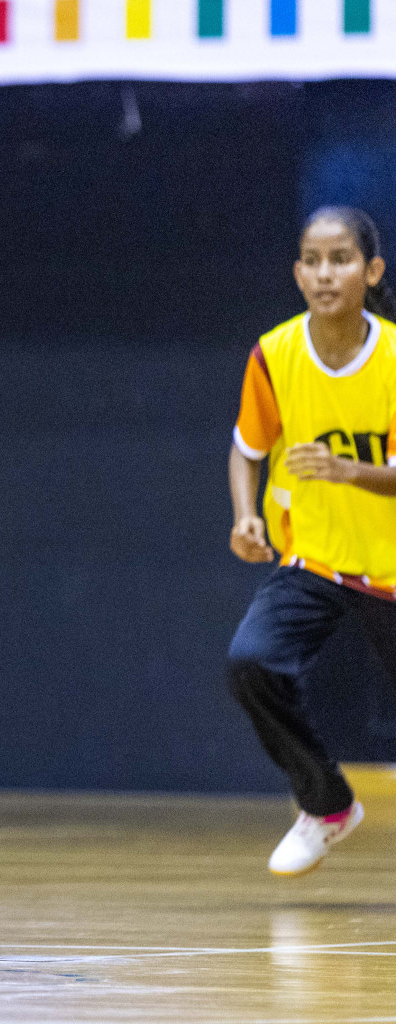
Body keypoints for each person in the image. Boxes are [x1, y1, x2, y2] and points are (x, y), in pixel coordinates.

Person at [227, 205, 396, 877]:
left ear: (372, 270)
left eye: (342, 259)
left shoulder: (392, 359)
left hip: (388, 567)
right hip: (316, 559)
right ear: (298, 273)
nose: (326, 273)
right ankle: (325, 803)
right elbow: (246, 449)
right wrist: (246, 517)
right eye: (314, 261)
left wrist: (351, 471)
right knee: (251, 664)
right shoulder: (275, 354)